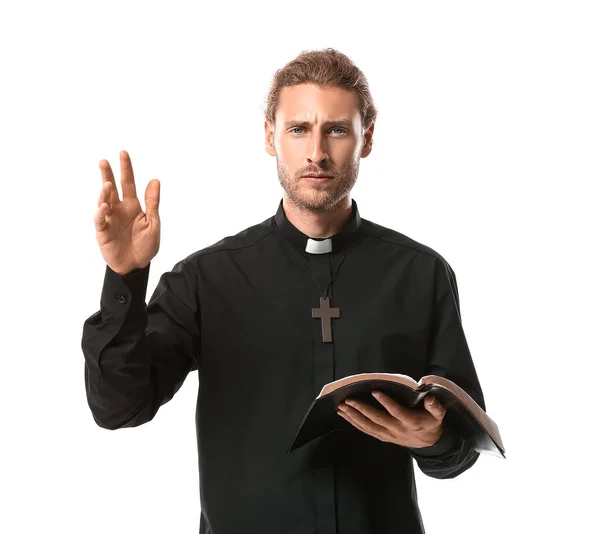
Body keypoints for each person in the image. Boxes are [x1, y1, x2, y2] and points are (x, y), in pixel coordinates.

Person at [82, 48, 486, 534]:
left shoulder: (421, 274)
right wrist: (126, 276)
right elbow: (118, 407)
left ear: (367, 139)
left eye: (336, 129)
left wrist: (433, 438)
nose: (316, 151)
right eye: (298, 129)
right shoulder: (205, 279)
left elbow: (460, 452)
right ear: (270, 137)